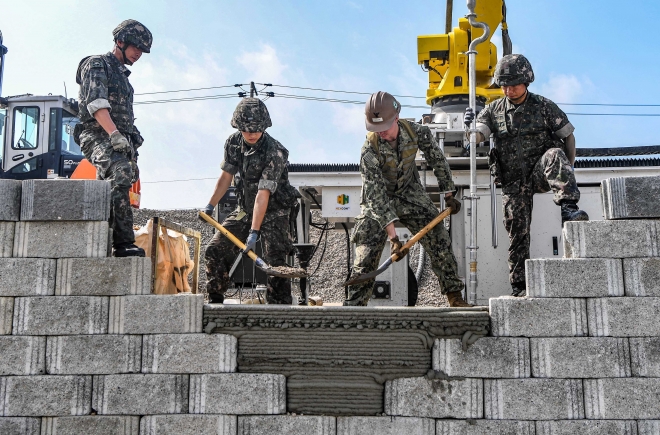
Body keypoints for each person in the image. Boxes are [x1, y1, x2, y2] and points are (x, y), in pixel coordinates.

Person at [465, 54, 589, 297]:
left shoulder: (543, 106)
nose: (508, 90)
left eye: (513, 85)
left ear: (527, 81)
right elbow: (479, 134)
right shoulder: (493, 110)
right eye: (504, 85)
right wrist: (471, 129)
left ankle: (569, 210)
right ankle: (519, 287)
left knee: (555, 153)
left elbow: (568, 137)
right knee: (517, 234)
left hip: (538, 174)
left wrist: (567, 170)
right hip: (512, 182)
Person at [346, 91, 472, 307]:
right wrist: (394, 239)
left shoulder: (416, 132)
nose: (381, 133)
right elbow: (376, 196)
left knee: (439, 239)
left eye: (384, 127)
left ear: (396, 118)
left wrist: (448, 193)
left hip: (409, 192)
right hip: (377, 200)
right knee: (364, 256)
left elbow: (437, 159)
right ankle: (354, 308)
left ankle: (455, 297)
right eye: (376, 129)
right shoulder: (369, 149)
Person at [201, 98, 300, 304]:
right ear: (238, 127)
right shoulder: (233, 142)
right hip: (245, 208)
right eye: (247, 130)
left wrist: (254, 232)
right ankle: (215, 303)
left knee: (275, 263)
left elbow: (263, 194)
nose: (252, 134)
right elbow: (226, 176)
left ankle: (280, 310)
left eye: (257, 130)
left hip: (275, 210)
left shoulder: (275, 151)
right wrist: (210, 206)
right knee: (215, 249)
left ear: (265, 127)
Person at [75, 19, 152, 257]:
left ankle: (101, 239)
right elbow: (97, 105)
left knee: (111, 184)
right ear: (120, 42)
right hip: (96, 134)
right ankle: (123, 244)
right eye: (135, 47)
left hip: (118, 138)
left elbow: (125, 117)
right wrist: (115, 134)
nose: (138, 53)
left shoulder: (124, 78)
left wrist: (131, 145)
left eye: (142, 50)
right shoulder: (97, 64)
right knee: (119, 171)